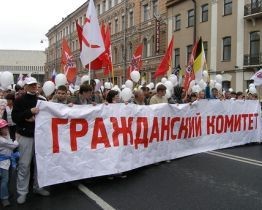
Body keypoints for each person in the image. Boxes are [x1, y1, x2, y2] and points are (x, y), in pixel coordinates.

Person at [11, 77, 50, 205]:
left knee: (40, 164)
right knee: (24, 165)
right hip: (26, 137)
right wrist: (28, 113)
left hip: (40, 137)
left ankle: (38, 186)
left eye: (35, 84)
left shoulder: (42, 100)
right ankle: (22, 192)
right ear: (25, 87)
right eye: (31, 85)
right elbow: (15, 118)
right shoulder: (19, 100)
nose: (33, 86)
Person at [0, 119, 18, 207]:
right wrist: (17, 138)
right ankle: (4, 198)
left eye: (6, 127)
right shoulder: (1, 140)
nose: (6, 129)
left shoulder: (6, 136)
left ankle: (5, 193)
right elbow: (13, 145)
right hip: (3, 163)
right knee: (4, 180)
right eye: (3, 128)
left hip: (8, 161)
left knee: (9, 179)